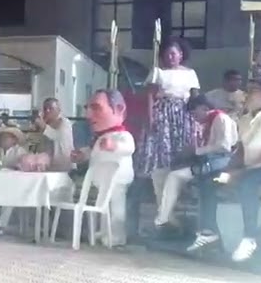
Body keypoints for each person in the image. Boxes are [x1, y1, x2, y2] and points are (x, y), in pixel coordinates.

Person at [200, 79, 261, 261]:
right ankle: (210, 232)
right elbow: (241, 150)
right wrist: (228, 169)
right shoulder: (244, 119)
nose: (247, 95)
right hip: (251, 169)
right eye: (247, 90)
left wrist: (245, 171)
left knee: (248, 182)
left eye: (252, 91)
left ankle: (249, 238)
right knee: (211, 181)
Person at [153, 94, 237, 236]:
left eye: (194, 112)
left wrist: (196, 151)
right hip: (206, 160)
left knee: (175, 176)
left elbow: (224, 146)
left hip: (219, 164)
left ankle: (163, 218)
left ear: (205, 108)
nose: (193, 116)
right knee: (161, 174)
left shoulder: (221, 119)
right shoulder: (206, 122)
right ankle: (165, 217)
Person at [70, 89, 136, 248]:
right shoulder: (99, 138)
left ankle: (117, 235)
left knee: (116, 209)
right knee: (103, 206)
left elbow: (129, 147)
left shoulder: (122, 135)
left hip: (117, 179)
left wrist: (114, 146)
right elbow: (92, 152)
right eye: (88, 109)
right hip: (101, 181)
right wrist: (81, 155)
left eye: (96, 108)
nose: (89, 115)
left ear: (119, 109)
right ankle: (103, 231)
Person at [138, 37, 199, 202]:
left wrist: (196, 117)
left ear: (180, 54)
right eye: (167, 54)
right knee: (163, 153)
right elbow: (150, 96)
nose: (170, 57)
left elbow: (195, 97)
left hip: (183, 114)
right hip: (163, 113)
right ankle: (161, 194)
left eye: (173, 54)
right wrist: (150, 118)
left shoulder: (190, 74)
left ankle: (182, 191)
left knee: (182, 149)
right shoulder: (158, 72)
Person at [0, 126, 29, 235]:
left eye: (7, 137)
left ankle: (1, 227)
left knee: (10, 201)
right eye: (2, 137)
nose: (3, 140)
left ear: (14, 139)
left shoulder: (21, 152)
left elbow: (23, 168)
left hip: (13, 186)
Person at [33, 98, 75, 171]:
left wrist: (44, 127)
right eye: (45, 108)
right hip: (49, 167)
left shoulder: (65, 123)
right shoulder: (46, 123)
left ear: (58, 110)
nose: (47, 111)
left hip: (65, 167)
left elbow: (57, 136)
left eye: (51, 108)